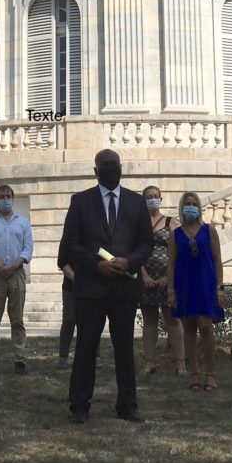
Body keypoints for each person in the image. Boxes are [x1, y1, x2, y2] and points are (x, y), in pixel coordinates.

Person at [61, 149, 152, 424]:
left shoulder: (137, 203)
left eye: (116, 165)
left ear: (121, 168)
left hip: (124, 288)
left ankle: (127, 405)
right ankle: (79, 405)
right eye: (106, 165)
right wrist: (94, 263)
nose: (112, 169)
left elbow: (146, 243)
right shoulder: (81, 202)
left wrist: (130, 262)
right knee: (86, 347)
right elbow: (70, 245)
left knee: (124, 348)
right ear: (96, 171)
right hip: (91, 287)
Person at [168, 192, 225, 391]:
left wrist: (219, 286)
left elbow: (218, 259)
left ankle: (210, 373)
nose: (190, 206)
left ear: (199, 207)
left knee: (206, 325)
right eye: (187, 203)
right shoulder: (175, 234)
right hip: (184, 285)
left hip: (206, 283)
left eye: (194, 203)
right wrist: (171, 290)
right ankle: (194, 373)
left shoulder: (209, 230)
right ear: (182, 208)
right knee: (189, 328)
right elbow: (171, 263)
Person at [0, 184, 34, 376]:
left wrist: (13, 265)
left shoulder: (23, 222)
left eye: (8, 196)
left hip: (17, 273)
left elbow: (27, 248)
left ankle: (20, 359)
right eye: (1, 196)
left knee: (17, 320)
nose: (5, 199)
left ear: (13, 197)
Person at [139, 186, 185, 377]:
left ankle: (180, 362)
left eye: (156, 196)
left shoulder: (170, 222)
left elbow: (178, 250)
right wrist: (144, 275)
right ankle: (150, 361)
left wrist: (169, 276)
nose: (153, 199)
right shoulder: (138, 224)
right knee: (149, 321)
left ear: (161, 199)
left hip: (168, 278)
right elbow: (135, 251)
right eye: (149, 197)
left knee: (173, 319)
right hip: (146, 278)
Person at [55, 235, 100, 370]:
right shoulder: (68, 238)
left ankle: (95, 357)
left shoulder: (95, 236)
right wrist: (78, 279)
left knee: (92, 321)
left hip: (92, 286)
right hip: (71, 287)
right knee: (69, 320)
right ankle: (63, 357)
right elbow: (62, 262)